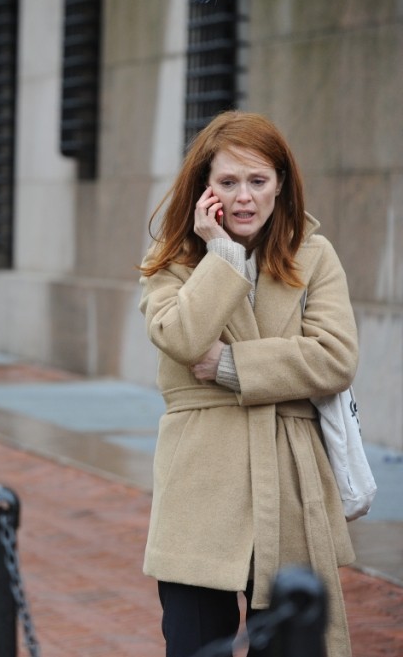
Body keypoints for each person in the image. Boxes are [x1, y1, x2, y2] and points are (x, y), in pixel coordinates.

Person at [138, 111, 357, 656]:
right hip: (200, 482)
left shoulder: (314, 253)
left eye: (257, 181)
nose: (243, 198)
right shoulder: (173, 256)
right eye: (228, 182)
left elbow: (334, 357)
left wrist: (233, 367)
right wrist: (224, 258)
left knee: (291, 644)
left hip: (289, 478)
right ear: (204, 188)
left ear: (280, 184)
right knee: (193, 645)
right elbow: (182, 337)